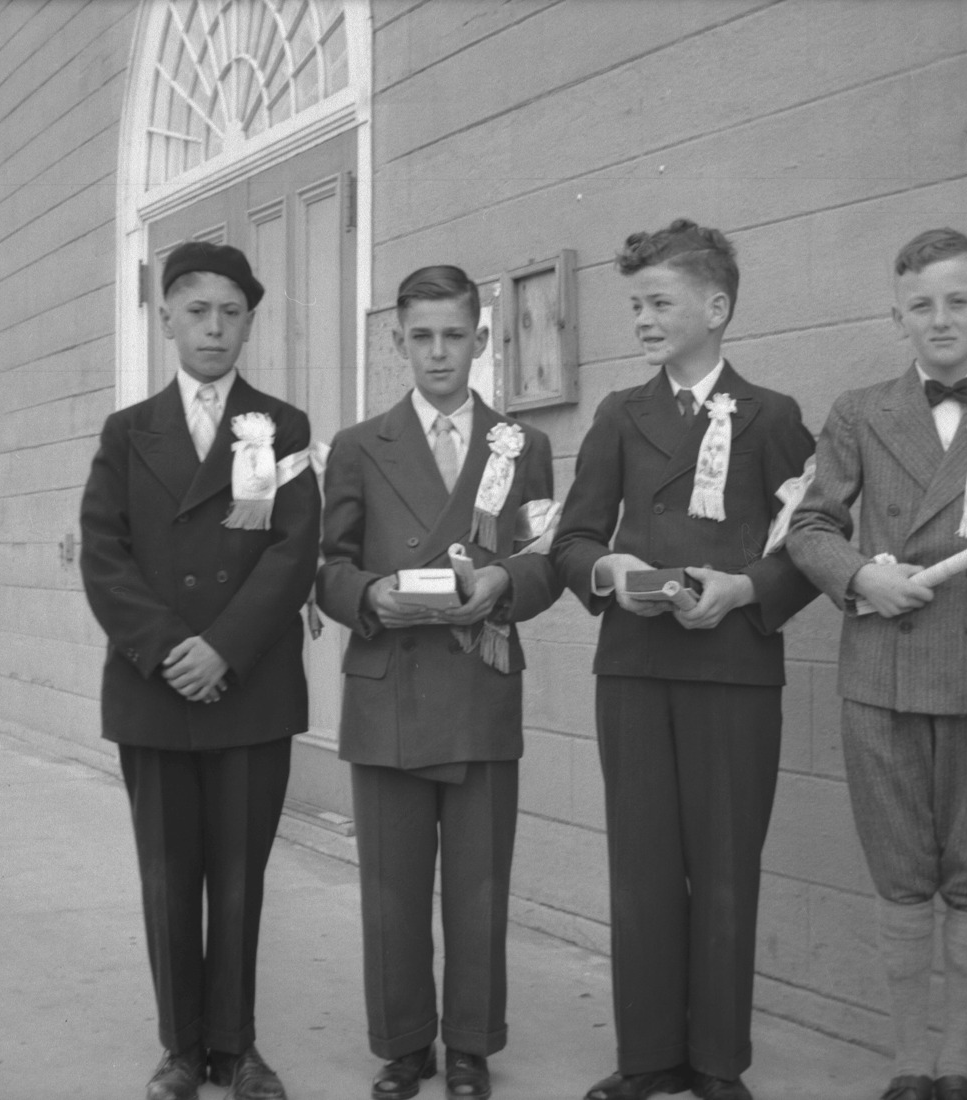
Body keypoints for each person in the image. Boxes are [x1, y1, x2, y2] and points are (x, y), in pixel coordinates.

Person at [785, 228, 967, 1100]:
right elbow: (810, 529)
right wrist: (863, 576)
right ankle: (910, 1063)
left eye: (959, 301)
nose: (941, 319)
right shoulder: (858, 412)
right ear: (897, 316)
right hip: (883, 674)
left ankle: (962, 1066)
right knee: (902, 877)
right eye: (923, 305)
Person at [551, 219, 819, 1100]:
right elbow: (575, 535)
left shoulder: (773, 417)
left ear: (717, 307)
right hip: (633, 669)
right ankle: (647, 1059)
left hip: (734, 673)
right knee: (642, 867)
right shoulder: (619, 415)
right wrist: (608, 567)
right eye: (635, 305)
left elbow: (812, 540)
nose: (642, 320)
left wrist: (744, 591)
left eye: (658, 302)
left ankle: (716, 1064)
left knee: (726, 865)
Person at [79, 241, 321, 1100]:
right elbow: (103, 557)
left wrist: (223, 646)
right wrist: (170, 651)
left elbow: (295, 548)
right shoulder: (126, 432)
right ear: (167, 318)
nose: (214, 329)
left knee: (241, 877)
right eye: (197, 312)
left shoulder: (282, 426)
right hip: (155, 689)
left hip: (248, 683)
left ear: (249, 321)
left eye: (231, 313)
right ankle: (182, 1049)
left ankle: (238, 1046)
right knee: (169, 877)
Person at [316, 265, 561, 1100]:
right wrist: (367, 597)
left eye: (455, 334)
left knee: (478, 884)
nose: (438, 353)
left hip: (479, 683)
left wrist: (507, 587)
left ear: (482, 340)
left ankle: (469, 1046)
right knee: (390, 885)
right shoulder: (358, 446)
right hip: (389, 683)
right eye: (420, 336)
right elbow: (328, 566)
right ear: (397, 343)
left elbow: (545, 556)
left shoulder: (523, 446)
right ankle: (402, 1043)